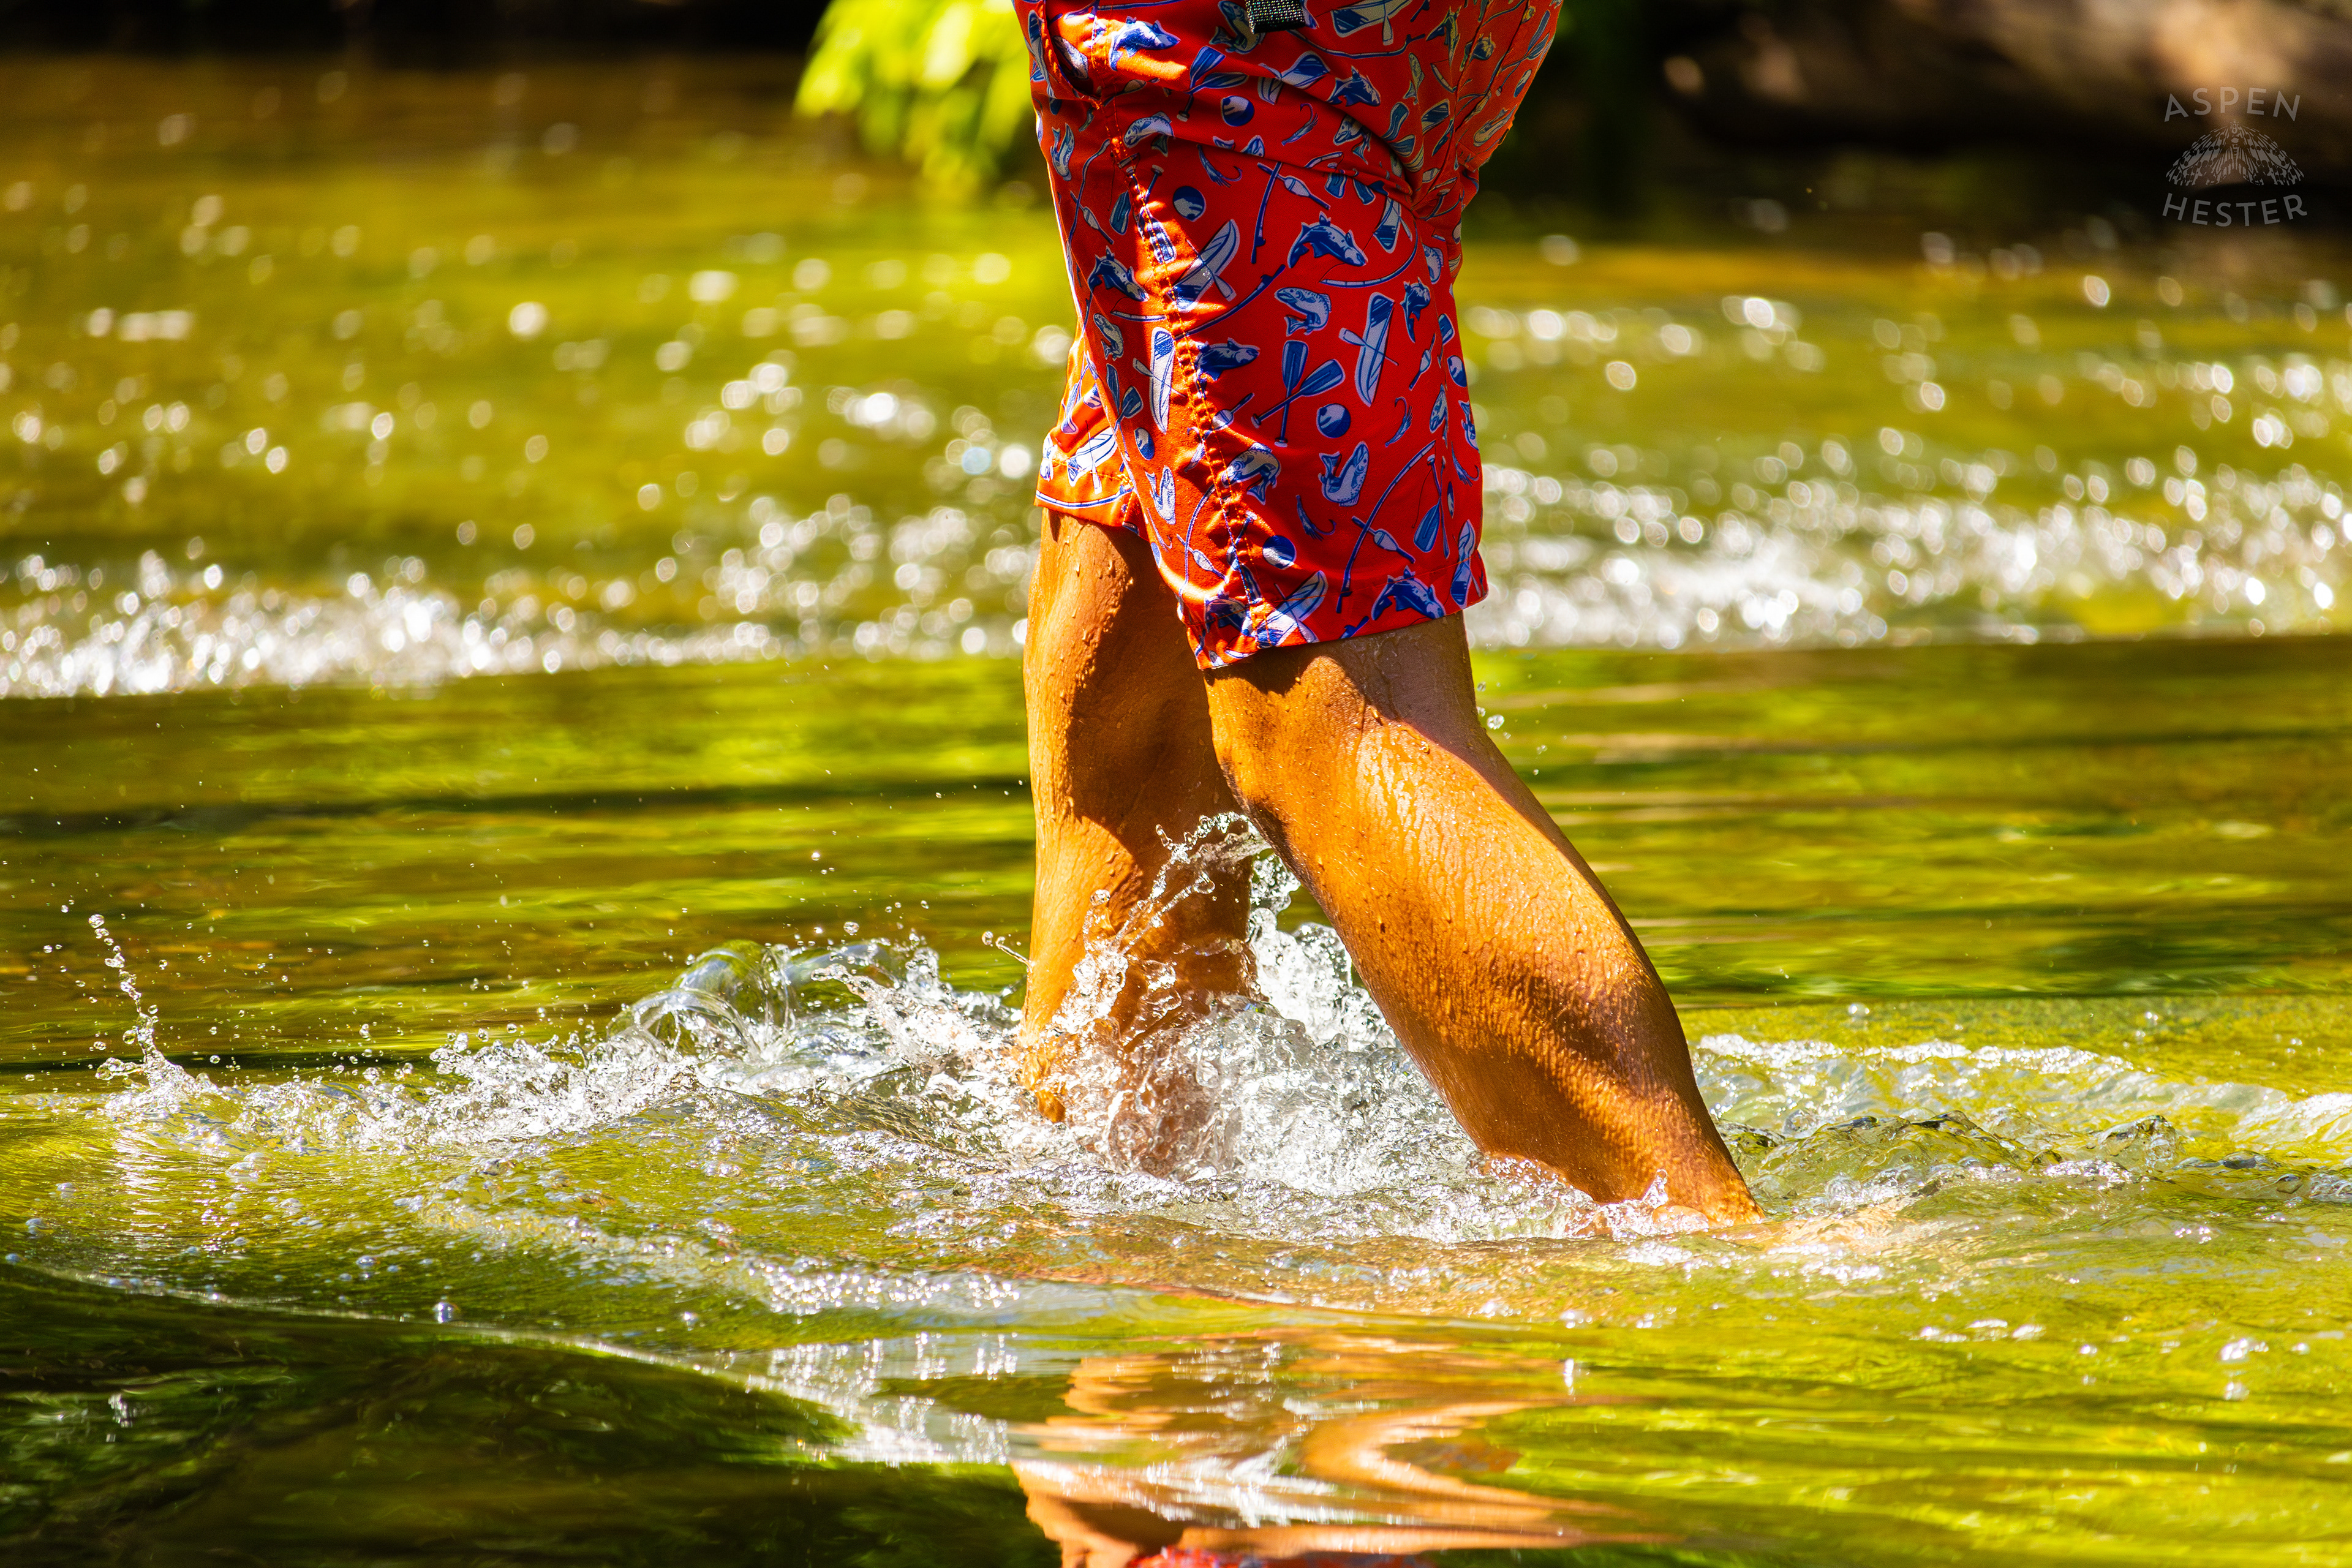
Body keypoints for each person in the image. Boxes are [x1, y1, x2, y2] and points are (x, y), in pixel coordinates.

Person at [1012, 0, 1758, 1224]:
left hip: (1226, 34)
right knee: (1128, 637)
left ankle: (1730, 1258)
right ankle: (1139, 1270)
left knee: (1329, 717)